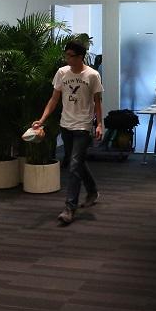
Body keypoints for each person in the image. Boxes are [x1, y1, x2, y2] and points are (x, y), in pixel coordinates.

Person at [32, 39, 103, 225]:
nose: (67, 59)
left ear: (80, 57)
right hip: (66, 124)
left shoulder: (92, 75)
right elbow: (54, 99)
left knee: (74, 165)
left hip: (83, 126)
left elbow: (97, 102)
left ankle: (69, 208)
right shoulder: (62, 73)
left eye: (71, 56)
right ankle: (92, 190)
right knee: (76, 162)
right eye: (66, 55)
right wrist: (42, 119)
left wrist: (99, 124)